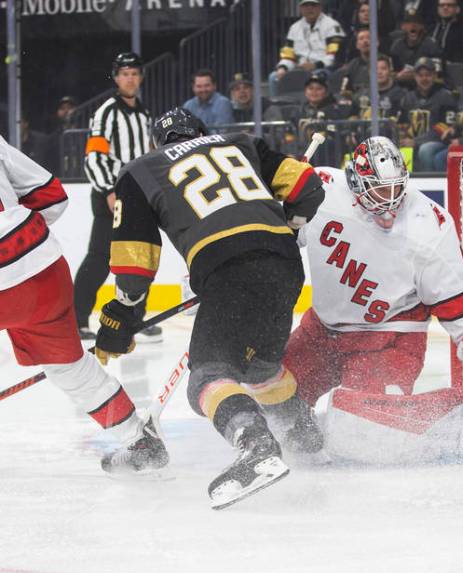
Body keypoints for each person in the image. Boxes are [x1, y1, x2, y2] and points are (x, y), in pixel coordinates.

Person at [94, 108, 326, 509]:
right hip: (284, 265)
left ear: (156, 143)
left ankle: (256, 444)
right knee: (258, 367)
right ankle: (302, 430)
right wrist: (290, 224)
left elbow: (135, 264)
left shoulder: (141, 170)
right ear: (202, 132)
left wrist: (121, 316)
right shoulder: (241, 143)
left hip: (226, 268)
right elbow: (309, 187)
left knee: (207, 376)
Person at [284, 137, 463, 461]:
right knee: (269, 404)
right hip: (321, 333)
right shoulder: (319, 189)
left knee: (360, 436)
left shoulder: (429, 225)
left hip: (390, 342)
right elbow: (282, 233)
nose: (391, 201)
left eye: (397, 189)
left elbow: (460, 306)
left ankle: (456, 410)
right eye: (381, 191)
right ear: (355, 181)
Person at [0, 133, 158, 474]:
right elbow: (52, 196)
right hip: (40, 263)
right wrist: (19, 236)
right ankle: (138, 440)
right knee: (71, 368)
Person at [76, 52, 157, 343]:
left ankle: (136, 319)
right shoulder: (106, 112)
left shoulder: (144, 114)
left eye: (135, 73)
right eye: (125, 73)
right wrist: (111, 189)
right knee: (99, 259)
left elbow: (145, 157)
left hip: (137, 196)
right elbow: (94, 158)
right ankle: (77, 319)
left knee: (140, 257)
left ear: (141, 77)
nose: (130, 78)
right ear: (116, 77)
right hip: (110, 195)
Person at [416, 58, 463, 172]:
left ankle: (449, 189)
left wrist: (462, 142)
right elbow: (461, 121)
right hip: (457, 141)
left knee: (441, 159)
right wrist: (452, 129)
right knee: (426, 150)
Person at [268, 0, 346, 95]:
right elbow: (288, 55)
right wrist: (283, 68)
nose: (309, 9)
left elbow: (334, 55)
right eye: (306, 6)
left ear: (319, 7)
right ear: (300, 9)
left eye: (313, 5)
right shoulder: (294, 28)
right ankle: (276, 106)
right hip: (300, 68)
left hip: (323, 68)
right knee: (274, 77)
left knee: (316, 76)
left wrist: (315, 65)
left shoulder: (332, 25)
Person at [399, 58, 457, 169]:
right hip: (412, 142)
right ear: (415, 76)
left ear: (435, 76)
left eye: (428, 75)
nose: (424, 78)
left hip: (438, 142)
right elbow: (402, 124)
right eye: (420, 75)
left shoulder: (445, 97)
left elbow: (445, 129)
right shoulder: (407, 98)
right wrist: (402, 138)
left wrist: (416, 142)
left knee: (425, 149)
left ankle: (431, 186)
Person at [389, 12, 443, 85]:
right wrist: (398, 76)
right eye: (408, 22)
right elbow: (391, 73)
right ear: (402, 26)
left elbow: (437, 75)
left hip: (426, 86)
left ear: (422, 26)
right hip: (401, 87)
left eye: (417, 22)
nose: (413, 25)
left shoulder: (432, 45)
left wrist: (414, 75)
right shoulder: (396, 46)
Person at [354, 55, 407, 125]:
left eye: (383, 68)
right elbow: (352, 117)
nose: (379, 72)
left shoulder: (401, 95)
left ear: (390, 71)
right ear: (369, 72)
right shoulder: (360, 94)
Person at [430, 0, 463, 64]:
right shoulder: (431, 29)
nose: (445, 7)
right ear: (438, 9)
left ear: (457, 9)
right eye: (442, 5)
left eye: (449, 5)